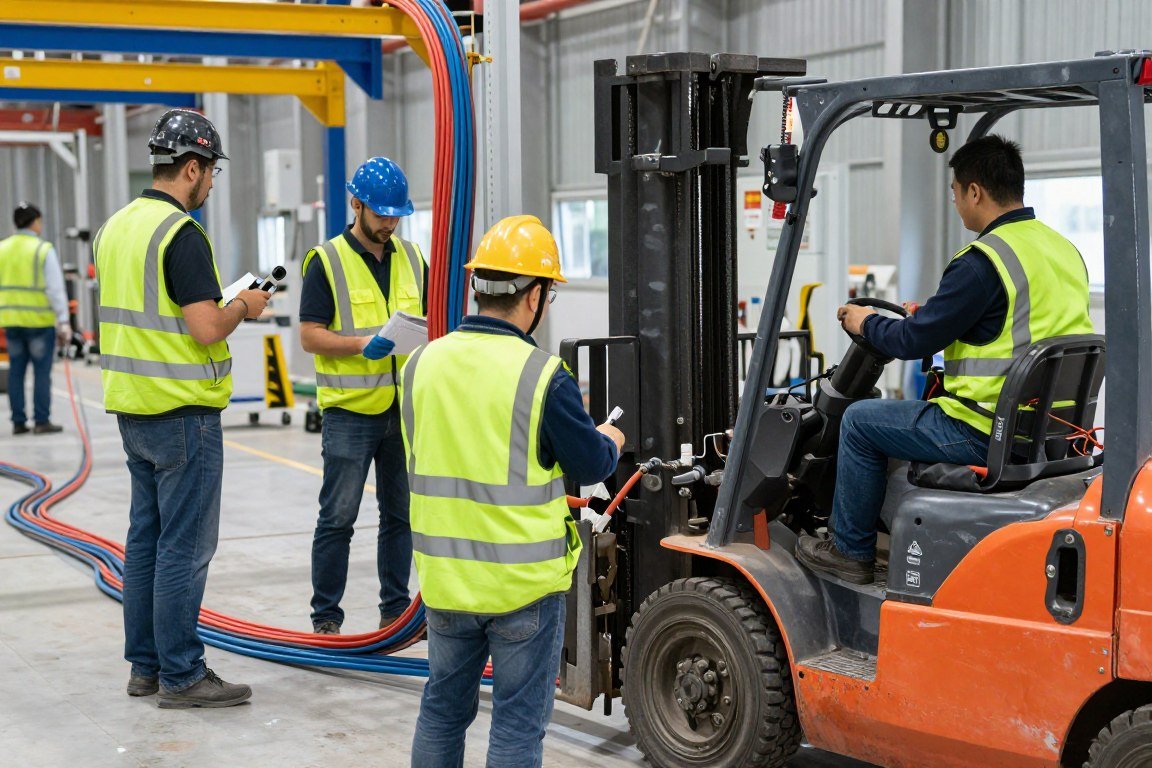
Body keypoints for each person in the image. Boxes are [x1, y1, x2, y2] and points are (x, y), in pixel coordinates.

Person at [795, 135, 1093, 585]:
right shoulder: (1061, 249)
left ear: (975, 191)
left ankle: (848, 549)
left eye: (955, 193)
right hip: (1053, 431)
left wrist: (864, 323)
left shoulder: (982, 261)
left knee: (858, 420)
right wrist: (932, 316)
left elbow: (912, 342)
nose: (956, 204)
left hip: (983, 429)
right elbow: (1018, 320)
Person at [403, 215, 625, 768]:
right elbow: (590, 463)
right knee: (517, 729)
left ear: (479, 287)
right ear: (535, 296)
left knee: (441, 712)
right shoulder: (543, 375)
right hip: (521, 589)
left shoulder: (420, 364)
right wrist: (612, 438)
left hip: (447, 582)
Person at [95, 108, 270, 707]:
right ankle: (181, 674)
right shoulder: (180, 234)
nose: (213, 183)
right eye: (211, 172)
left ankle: (145, 667)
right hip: (182, 414)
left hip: (133, 410)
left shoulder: (115, 227)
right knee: (184, 548)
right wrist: (245, 305)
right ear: (190, 167)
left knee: (145, 541)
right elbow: (204, 327)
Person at [299, 157, 427, 635]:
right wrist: (360, 345)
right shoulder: (326, 261)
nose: (389, 223)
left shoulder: (413, 258)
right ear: (357, 205)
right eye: (381, 214)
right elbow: (310, 336)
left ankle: (394, 612)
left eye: (396, 215)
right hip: (350, 413)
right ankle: (326, 619)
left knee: (401, 515)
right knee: (337, 518)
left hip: (404, 410)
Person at [0, 202, 70, 434]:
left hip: (11, 322)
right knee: (41, 373)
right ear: (36, 221)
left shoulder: (3, 249)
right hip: (39, 324)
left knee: (16, 372)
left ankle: (18, 422)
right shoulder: (42, 249)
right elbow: (55, 289)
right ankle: (41, 421)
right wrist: (63, 320)